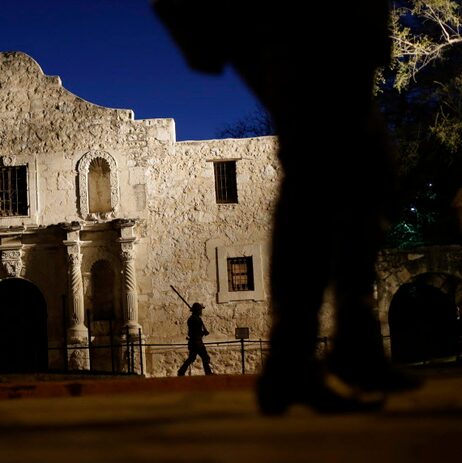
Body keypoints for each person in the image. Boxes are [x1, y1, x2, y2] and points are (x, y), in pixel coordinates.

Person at [153, 0, 419, 413]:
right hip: (289, 17)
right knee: (329, 153)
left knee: (357, 157)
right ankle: (314, 352)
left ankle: (324, 348)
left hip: (332, 20)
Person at [177, 303, 213, 376]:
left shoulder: (195, 318)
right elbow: (196, 332)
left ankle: (181, 371)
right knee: (205, 357)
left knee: (192, 358)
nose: (201, 311)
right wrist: (203, 332)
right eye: (200, 310)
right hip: (197, 342)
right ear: (197, 310)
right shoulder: (194, 319)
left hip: (194, 342)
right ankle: (208, 373)